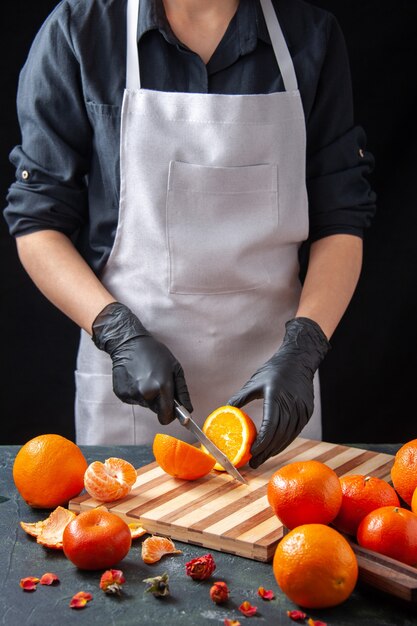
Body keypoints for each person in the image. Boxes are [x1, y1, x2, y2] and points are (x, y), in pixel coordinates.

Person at [4, 0, 375, 467]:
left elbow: (341, 221)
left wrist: (305, 349)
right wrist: (117, 334)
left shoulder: (311, 35)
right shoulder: (82, 30)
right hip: (134, 390)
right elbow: (37, 223)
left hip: (275, 387)